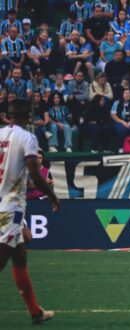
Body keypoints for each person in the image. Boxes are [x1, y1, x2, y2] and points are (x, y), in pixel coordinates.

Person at [0, 100, 60, 325]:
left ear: (8, 116)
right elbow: (35, 173)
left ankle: (35, 311)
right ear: (28, 117)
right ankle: (35, 311)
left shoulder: (1, 134)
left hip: (5, 205)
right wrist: (53, 196)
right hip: (9, 208)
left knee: (20, 258)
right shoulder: (27, 138)